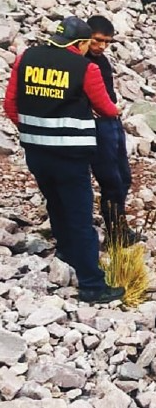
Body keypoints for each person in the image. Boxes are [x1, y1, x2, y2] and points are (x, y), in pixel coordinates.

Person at [3, 16, 124, 303]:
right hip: (71, 156)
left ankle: (65, 251)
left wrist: (32, 129)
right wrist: (116, 112)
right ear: (80, 43)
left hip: (36, 152)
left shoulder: (26, 58)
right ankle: (92, 284)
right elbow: (105, 108)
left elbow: (10, 104)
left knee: (55, 201)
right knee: (81, 216)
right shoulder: (86, 68)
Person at [85, 15, 137, 246]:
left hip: (111, 121)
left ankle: (119, 228)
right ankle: (116, 233)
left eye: (107, 42)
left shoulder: (102, 61)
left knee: (123, 178)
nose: (101, 46)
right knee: (111, 180)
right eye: (97, 40)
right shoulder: (81, 62)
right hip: (98, 127)